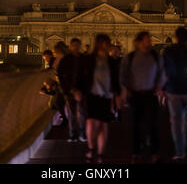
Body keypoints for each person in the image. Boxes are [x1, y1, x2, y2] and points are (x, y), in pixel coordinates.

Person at [74, 34, 121, 163]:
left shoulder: (111, 61)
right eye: (104, 43)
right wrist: (77, 90)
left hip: (106, 96)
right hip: (91, 94)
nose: (106, 46)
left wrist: (118, 95)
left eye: (108, 43)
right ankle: (91, 147)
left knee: (103, 124)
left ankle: (100, 153)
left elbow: (116, 80)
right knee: (91, 122)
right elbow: (79, 76)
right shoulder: (88, 60)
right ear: (98, 44)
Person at [120, 31, 166, 164]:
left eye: (150, 40)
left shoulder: (155, 56)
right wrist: (125, 90)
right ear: (139, 42)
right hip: (135, 96)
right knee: (136, 126)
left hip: (151, 95)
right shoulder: (130, 57)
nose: (150, 43)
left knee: (153, 125)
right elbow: (123, 75)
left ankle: (154, 153)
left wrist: (159, 86)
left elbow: (162, 73)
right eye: (147, 40)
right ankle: (136, 152)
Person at [162, 27, 187, 162]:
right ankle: (186, 148)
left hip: (172, 90)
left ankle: (179, 151)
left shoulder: (168, 52)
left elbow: (162, 71)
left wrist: (162, 88)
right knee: (186, 121)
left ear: (176, 37)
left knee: (175, 122)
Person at [57, 38, 87, 142]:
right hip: (70, 90)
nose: (75, 47)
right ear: (70, 46)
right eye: (74, 45)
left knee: (82, 114)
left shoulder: (84, 59)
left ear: (80, 46)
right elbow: (60, 74)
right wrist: (66, 88)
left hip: (81, 90)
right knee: (72, 114)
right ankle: (73, 134)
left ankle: (82, 134)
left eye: (77, 45)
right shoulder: (66, 59)